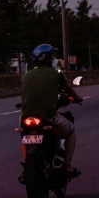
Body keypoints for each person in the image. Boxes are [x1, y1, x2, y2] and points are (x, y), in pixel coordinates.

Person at [19, 43, 83, 183]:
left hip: (26, 118)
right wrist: (77, 99)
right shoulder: (57, 74)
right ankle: (67, 166)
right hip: (48, 117)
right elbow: (69, 90)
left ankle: (26, 166)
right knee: (71, 131)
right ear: (47, 59)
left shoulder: (26, 76)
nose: (54, 59)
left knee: (24, 135)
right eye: (53, 56)